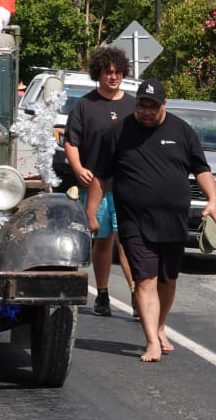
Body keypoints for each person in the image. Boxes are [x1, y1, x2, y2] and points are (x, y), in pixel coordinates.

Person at [87, 79, 216, 362]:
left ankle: (160, 327)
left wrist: (213, 201)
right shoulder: (118, 132)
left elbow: (201, 168)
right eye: (141, 106)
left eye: (151, 106)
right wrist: (92, 212)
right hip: (134, 220)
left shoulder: (181, 130)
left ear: (163, 105)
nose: (145, 112)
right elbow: (100, 176)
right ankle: (151, 341)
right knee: (145, 279)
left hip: (173, 221)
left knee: (168, 280)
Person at [64, 46, 137, 318]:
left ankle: (136, 293)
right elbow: (72, 142)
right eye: (108, 72)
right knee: (103, 240)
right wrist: (78, 167)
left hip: (129, 184)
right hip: (96, 186)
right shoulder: (84, 105)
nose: (113, 77)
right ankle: (103, 294)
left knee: (129, 241)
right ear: (99, 74)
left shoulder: (133, 105)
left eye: (118, 72)